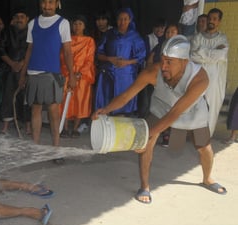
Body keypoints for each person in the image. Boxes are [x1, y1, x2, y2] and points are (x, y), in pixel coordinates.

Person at [93, 35, 227, 204]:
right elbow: (127, 95)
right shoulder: (152, 72)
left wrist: (150, 133)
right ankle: (145, 186)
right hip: (160, 107)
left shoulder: (200, 78)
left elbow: (176, 112)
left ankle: (207, 178)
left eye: (169, 61)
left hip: (192, 111)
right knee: (146, 143)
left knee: (204, 147)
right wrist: (105, 110)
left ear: (184, 62)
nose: (163, 66)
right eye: (162, 60)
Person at [19, 0, 77, 152]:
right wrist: (23, 73)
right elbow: (29, 50)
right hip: (33, 72)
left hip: (52, 73)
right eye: (44, 2)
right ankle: (35, 147)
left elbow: (67, 51)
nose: (47, 5)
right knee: (35, 110)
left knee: (53, 111)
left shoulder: (63, 23)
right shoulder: (33, 23)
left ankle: (56, 147)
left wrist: (71, 75)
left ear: (57, 3)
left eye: (51, 2)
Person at [94, 8, 146, 116]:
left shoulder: (135, 36)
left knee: (124, 105)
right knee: (105, 104)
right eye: (120, 19)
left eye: (125, 19)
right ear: (116, 20)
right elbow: (98, 54)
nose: (122, 22)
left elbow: (141, 56)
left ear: (130, 20)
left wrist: (127, 62)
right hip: (108, 75)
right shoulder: (108, 34)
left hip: (126, 77)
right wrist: (110, 59)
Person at [190, 8, 228, 136]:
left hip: (214, 81)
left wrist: (202, 51)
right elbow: (192, 56)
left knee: (211, 108)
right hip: (198, 77)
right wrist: (212, 53)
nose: (211, 21)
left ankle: (206, 136)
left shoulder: (222, 38)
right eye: (210, 18)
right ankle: (193, 134)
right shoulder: (198, 37)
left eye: (214, 19)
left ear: (219, 21)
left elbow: (221, 55)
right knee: (194, 105)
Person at [59, 15, 95, 138]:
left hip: (82, 75)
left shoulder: (89, 41)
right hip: (67, 73)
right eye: (75, 23)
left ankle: (75, 129)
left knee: (80, 101)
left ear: (84, 26)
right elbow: (62, 57)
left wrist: (79, 74)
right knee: (64, 100)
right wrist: (69, 73)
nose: (77, 26)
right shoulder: (66, 40)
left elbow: (89, 59)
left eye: (80, 23)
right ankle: (64, 127)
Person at [0, 9, 31, 135]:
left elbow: (33, 50)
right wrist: (12, 63)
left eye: (22, 16)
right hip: (9, 68)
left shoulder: (32, 32)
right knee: (8, 96)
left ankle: (28, 126)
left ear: (27, 18)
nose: (19, 19)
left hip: (27, 69)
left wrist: (22, 63)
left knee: (26, 98)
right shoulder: (6, 32)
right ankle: (5, 127)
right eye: (17, 16)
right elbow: (0, 50)